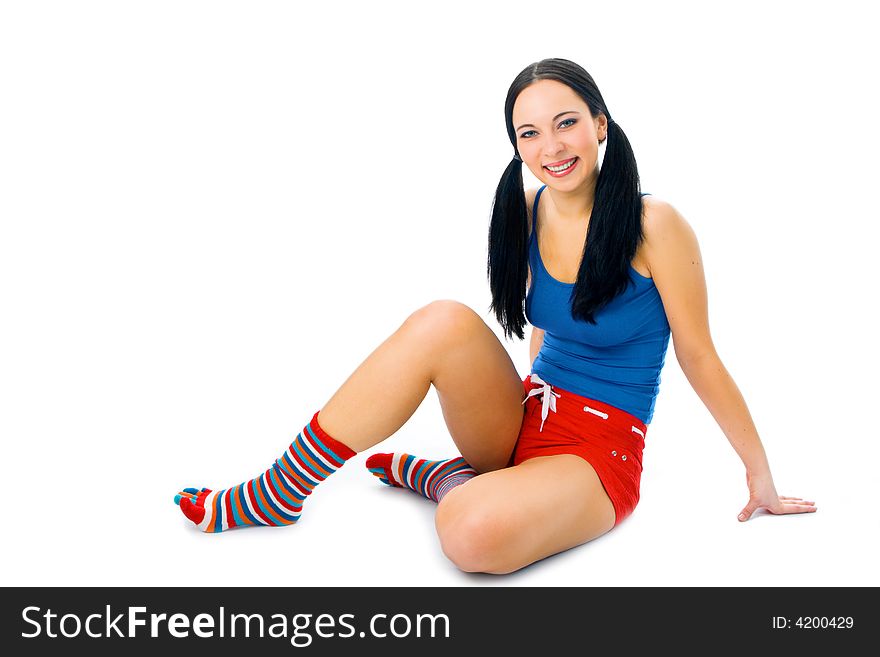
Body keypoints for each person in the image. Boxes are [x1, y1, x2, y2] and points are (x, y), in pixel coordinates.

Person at [173, 58, 816, 574]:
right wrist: (526, 400)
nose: (550, 147)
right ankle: (279, 490)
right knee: (441, 320)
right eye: (529, 133)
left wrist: (760, 476)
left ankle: (450, 481)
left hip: (599, 451)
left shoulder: (655, 225)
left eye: (566, 123)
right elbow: (544, 321)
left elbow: (698, 355)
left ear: (600, 124)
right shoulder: (529, 207)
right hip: (528, 413)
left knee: (471, 536)